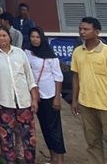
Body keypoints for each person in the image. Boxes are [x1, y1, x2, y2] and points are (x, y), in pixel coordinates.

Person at [71, 17, 107, 164]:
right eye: (80, 29)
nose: (82, 32)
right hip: (86, 105)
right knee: (92, 143)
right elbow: (76, 78)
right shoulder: (78, 52)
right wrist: (74, 101)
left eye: (86, 29)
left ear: (96, 32)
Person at [0, 25, 39, 164]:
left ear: (10, 37)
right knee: (6, 138)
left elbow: (30, 78)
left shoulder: (20, 53)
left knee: (28, 137)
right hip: (4, 101)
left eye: (4, 35)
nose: (1, 38)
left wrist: (34, 99)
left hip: (24, 101)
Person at [26, 27, 66, 164]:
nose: (35, 39)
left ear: (42, 38)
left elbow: (58, 77)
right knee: (45, 128)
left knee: (54, 129)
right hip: (35, 96)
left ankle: (59, 159)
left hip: (49, 95)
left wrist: (57, 98)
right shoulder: (27, 53)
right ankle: (52, 156)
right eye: (32, 37)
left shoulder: (51, 56)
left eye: (37, 37)